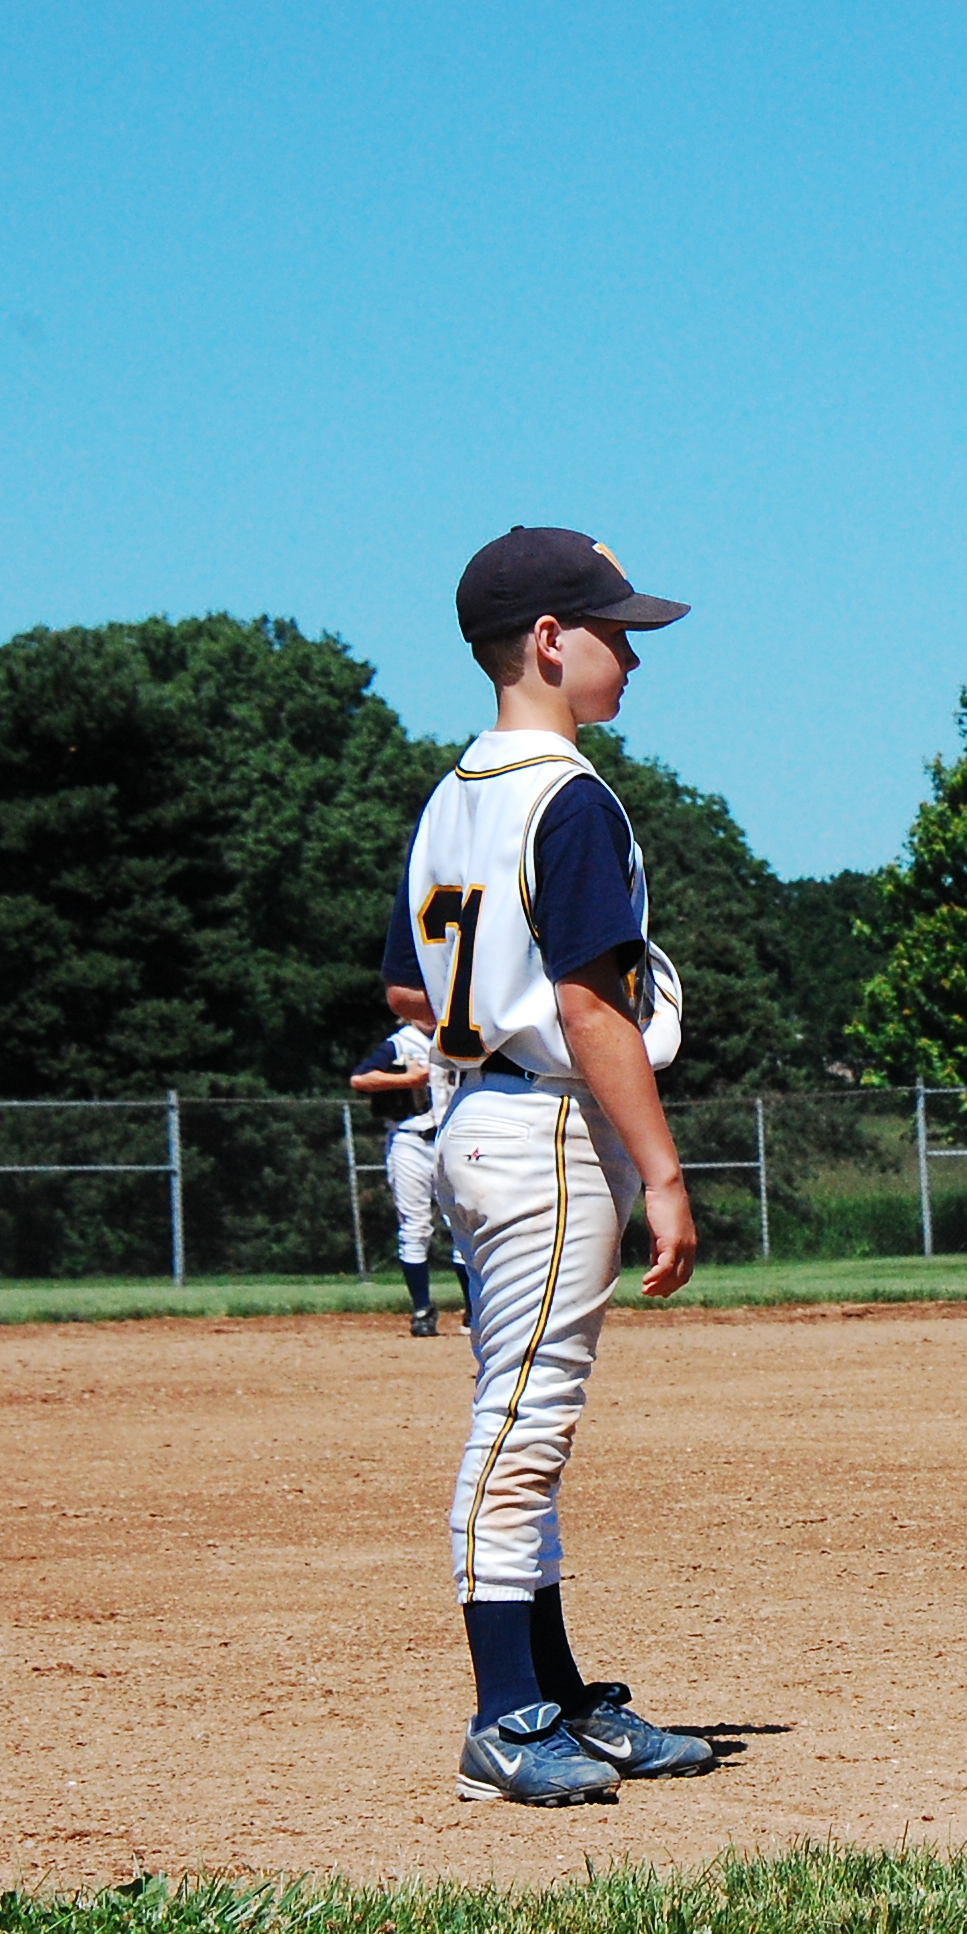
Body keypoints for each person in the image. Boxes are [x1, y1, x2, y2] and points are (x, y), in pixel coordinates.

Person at [379, 524, 713, 1806]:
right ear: (547, 640)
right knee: (519, 1428)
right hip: (544, 1133)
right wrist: (663, 1171)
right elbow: (588, 1007)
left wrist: (493, 1010)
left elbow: (409, 984)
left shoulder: (452, 794)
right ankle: (503, 1715)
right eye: (616, 631)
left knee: (528, 1416)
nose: (633, 656)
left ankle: (557, 1692)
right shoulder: (569, 796)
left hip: (473, 1116)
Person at [349, 1021, 465, 1335]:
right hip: (410, 1140)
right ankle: (422, 1310)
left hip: (453, 1139)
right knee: (414, 1226)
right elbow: (360, 1078)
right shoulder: (401, 1042)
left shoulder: (458, 1033)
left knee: (463, 1223)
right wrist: (407, 1080)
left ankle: (474, 1311)